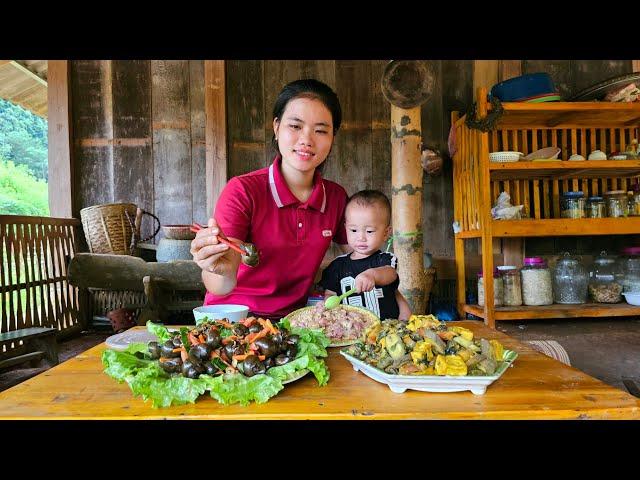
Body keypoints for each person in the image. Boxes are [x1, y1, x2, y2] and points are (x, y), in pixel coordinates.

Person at [190, 79, 350, 320]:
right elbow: (220, 285)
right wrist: (217, 269)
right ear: (276, 127)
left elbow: (362, 254)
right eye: (295, 126)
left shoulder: (336, 198)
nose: (306, 139)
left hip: (295, 323)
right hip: (234, 319)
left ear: (332, 137)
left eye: (320, 130)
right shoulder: (243, 191)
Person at [319, 190, 412, 320]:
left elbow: (390, 274)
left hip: (386, 332)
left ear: (386, 233)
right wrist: (329, 304)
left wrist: (372, 275)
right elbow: (330, 293)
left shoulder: (384, 260)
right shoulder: (337, 266)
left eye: (369, 231)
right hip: (353, 332)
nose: (361, 237)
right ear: (345, 229)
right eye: (353, 230)